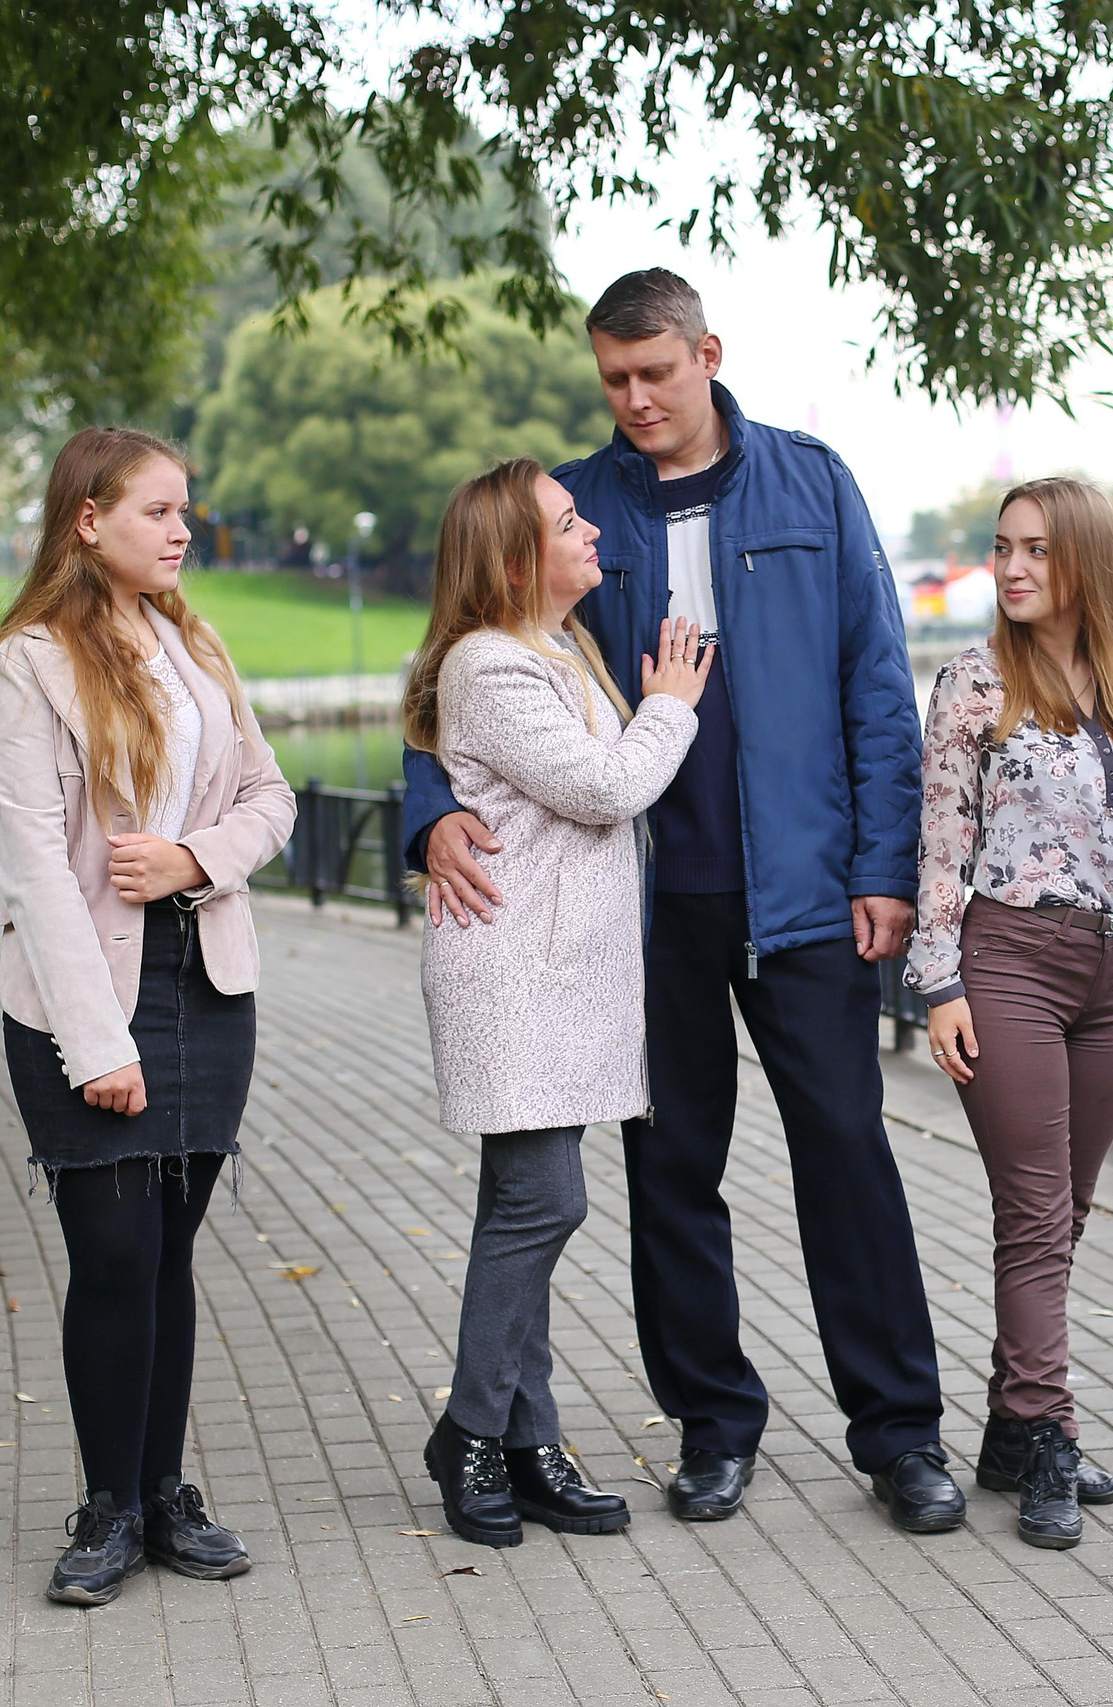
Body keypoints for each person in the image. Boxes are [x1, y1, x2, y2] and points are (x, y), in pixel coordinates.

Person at [402, 269, 963, 1532]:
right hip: (645, 916)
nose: (635, 398)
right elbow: (459, 664)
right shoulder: (572, 508)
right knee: (673, 1175)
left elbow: (876, 684)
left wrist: (885, 869)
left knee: (849, 1159)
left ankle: (900, 1436)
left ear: (708, 353)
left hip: (809, 899)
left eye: (656, 372)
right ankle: (713, 1428)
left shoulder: (811, 482)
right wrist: (429, 810)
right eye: (613, 378)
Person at [0, 427, 296, 1604]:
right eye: (160, 512)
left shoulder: (193, 646)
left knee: (169, 1252)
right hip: (82, 997)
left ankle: (164, 1497)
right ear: (87, 522)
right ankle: (108, 1507)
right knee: (113, 1253)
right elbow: (37, 876)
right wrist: (95, 1044)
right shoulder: (28, 664)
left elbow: (273, 796)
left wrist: (195, 861)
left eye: (186, 511)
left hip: (207, 984)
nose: (182, 532)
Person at [402, 458, 713, 1547]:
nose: (589, 532)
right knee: (545, 1204)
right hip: (510, 972)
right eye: (567, 522)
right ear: (513, 558)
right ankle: (472, 1429)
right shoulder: (491, 665)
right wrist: (670, 708)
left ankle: (528, 1443)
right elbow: (604, 789)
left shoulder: (556, 647)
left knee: (520, 1208)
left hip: (555, 975)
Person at [907, 478, 1113, 1548]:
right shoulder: (974, 684)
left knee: (1062, 1215)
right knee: (1032, 1215)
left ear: (1085, 565)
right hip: (1011, 962)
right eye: (1001, 548)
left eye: (1035, 551)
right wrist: (941, 985)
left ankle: (1011, 1427)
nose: (1012, 569)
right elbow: (939, 844)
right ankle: (1050, 1434)